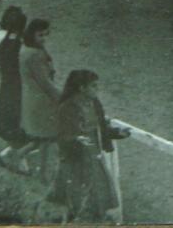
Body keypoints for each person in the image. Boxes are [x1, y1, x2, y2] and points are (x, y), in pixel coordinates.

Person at [53, 70, 129, 222]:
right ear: (82, 88)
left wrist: (117, 133)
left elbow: (100, 127)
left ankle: (95, 218)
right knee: (76, 193)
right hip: (75, 157)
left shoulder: (94, 103)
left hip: (94, 154)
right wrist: (77, 139)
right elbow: (63, 135)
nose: (97, 89)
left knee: (97, 190)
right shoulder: (67, 108)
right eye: (94, 86)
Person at [20, 18, 61, 179]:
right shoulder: (35, 54)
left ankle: (16, 156)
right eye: (40, 35)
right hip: (41, 101)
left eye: (45, 35)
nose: (43, 38)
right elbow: (45, 82)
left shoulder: (25, 50)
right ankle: (42, 173)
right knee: (46, 138)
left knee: (42, 138)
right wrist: (62, 97)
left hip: (32, 98)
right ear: (32, 34)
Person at [0, 6, 30, 174]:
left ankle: (7, 155)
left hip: (6, 87)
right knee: (20, 125)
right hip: (17, 89)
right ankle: (18, 161)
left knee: (12, 125)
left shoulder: (4, 41)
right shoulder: (19, 45)